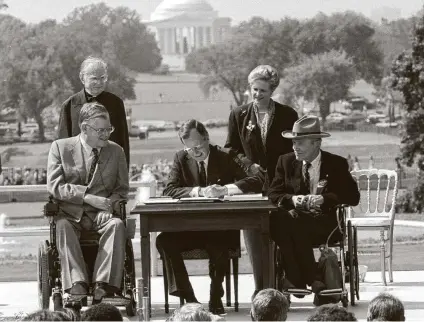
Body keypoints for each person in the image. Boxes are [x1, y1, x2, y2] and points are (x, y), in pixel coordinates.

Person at [157, 119, 263, 315]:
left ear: (207, 139)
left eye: (198, 146)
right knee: (164, 241)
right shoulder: (180, 158)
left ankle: (216, 295)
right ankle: (189, 298)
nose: (195, 152)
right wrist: (199, 191)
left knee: (219, 241)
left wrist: (226, 189)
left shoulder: (226, 155)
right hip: (189, 228)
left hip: (221, 228)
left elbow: (258, 179)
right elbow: (170, 189)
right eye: (190, 149)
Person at [224, 65, 298, 297]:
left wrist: (280, 171)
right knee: (254, 236)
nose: (257, 95)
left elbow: (294, 149)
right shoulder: (239, 114)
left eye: (263, 91)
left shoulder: (288, 115)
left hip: (280, 184)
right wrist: (249, 165)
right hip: (250, 185)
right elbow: (230, 148)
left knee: (283, 229)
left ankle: (285, 282)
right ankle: (261, 289)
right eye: (254, 90)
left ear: (272, 90)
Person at [268, 115, 360, 302]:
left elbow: (353, 197)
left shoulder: (336, 164)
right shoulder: (285, 162)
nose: (295, 147)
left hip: (325, 224)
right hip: (295, 221)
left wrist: (324, 199)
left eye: (300, 142)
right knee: (280, 218)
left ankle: (297, 279)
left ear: (317, 143)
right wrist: (293, 199)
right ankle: (313, 278)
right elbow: (273, 194)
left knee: (287, 223)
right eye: (293, 142)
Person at [47, 102, 129, 304]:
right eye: (100, 130)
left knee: (117, 225)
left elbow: (122, 189)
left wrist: (109, 205)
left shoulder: (116, 152)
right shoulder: (60, 147)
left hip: (103, 216)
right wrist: (87, 197)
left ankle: (103, 285)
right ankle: (78, 284)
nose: (106, 135)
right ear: (84, 128)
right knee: (63, 226)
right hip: (71, 214)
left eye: (108, 129)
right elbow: (55, 186)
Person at [57, 56, 130, 167]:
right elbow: (63, 147)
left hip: (109, 171)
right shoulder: (68, 106)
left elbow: (123, 141)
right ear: (82, 78)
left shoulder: (116, 104)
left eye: (102, 78)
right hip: (78, 172)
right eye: (94, 78)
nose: (99, 82)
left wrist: (124, 173)